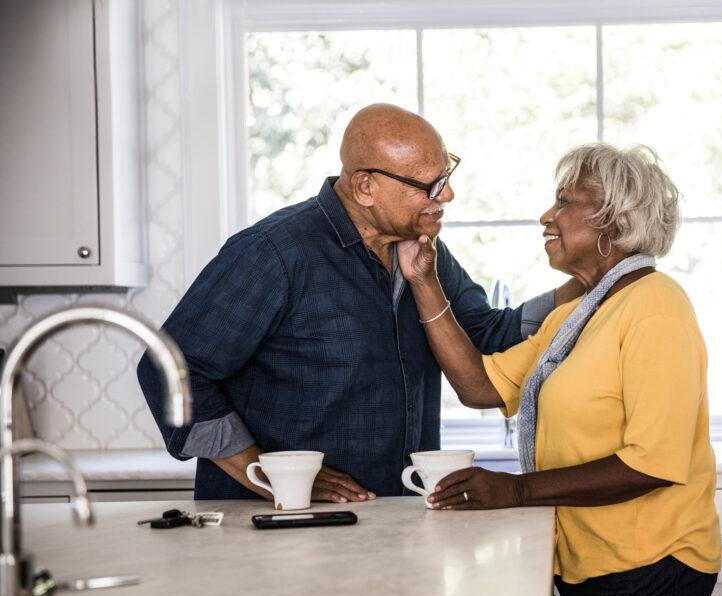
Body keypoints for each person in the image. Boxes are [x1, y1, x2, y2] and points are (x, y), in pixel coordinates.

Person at [137, 103, 582, 502]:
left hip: (393, 522)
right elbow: (168, 368)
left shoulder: (423, 248)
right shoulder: (273, 253)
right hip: (281, 530)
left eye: (447, 177)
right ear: (366, 187)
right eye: (430, 184)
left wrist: (592, 283)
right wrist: (269, 473)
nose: (446, 195)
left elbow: (485, 335)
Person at [397, 142, 722, 596]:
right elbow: (479, 386)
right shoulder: (576, 316)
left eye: (564, 201)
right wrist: (424, 282)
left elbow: (651, 462)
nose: (547, 216)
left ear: (613, 222)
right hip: (599, 569)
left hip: (650, 569)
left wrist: (515, 490)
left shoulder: (656, 305)